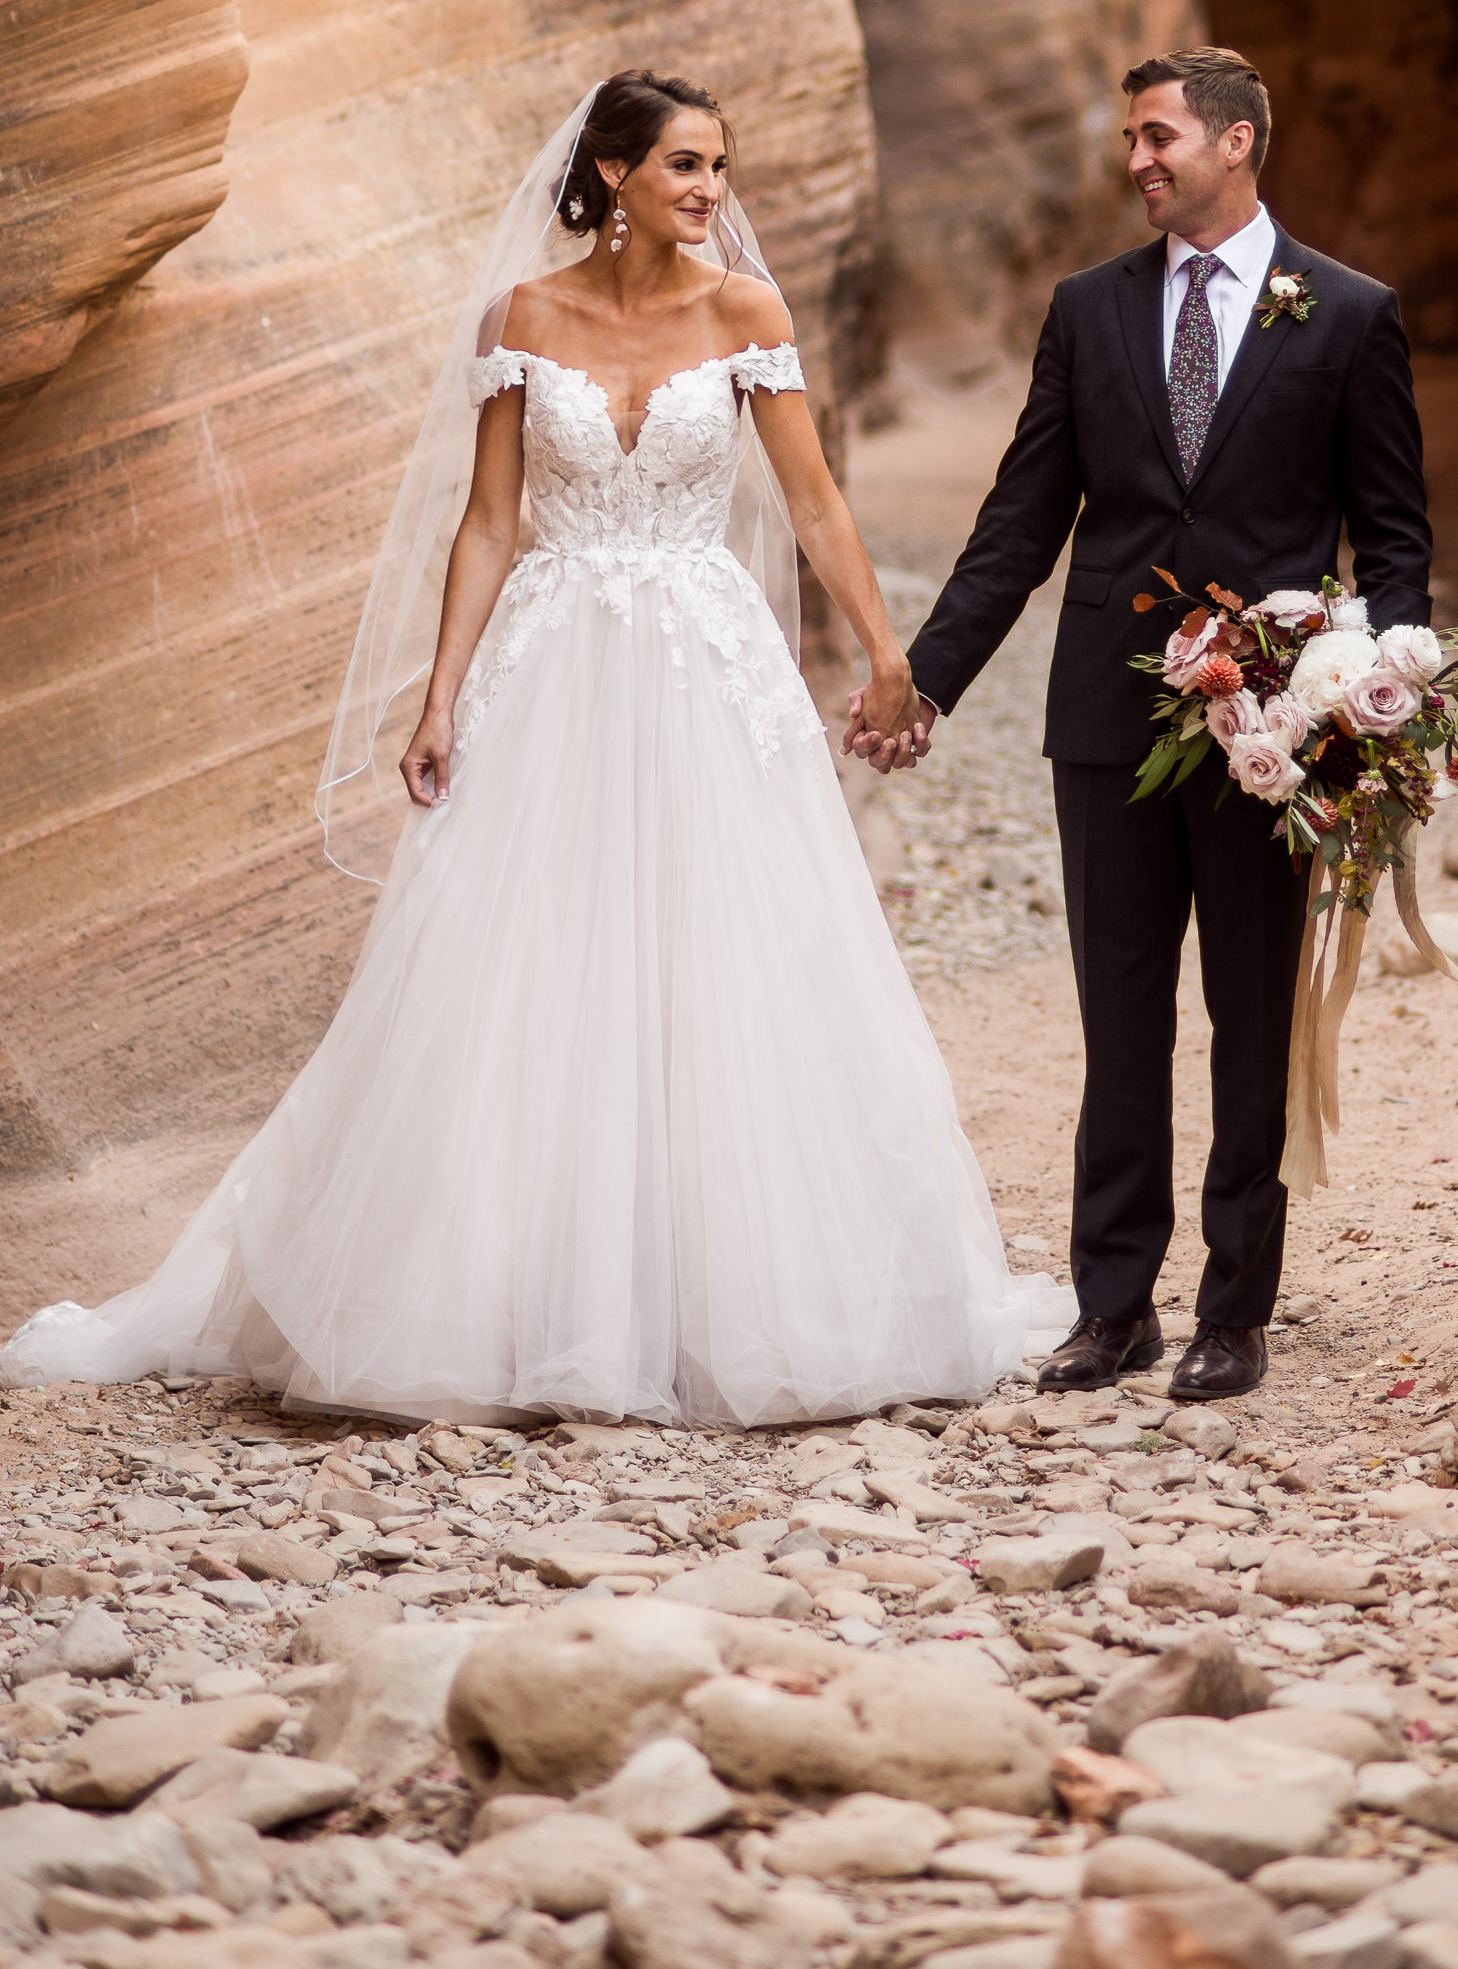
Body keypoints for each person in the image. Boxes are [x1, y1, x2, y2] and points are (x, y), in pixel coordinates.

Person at [1, 72, 1064, 1425]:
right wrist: (440, 697)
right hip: (551, 663)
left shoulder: (747, 313)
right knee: (530, 960)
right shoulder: (527, 318)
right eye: (686, 165)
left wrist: (887, 651)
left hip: (700, 662)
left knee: (725, 956)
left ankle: (727, 1296)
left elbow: (811, 499)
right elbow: (492, 524)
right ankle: (511, 1303)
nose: (711, 193)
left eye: (719, 167)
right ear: (611, 173)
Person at [849, 48, 1432, 1402]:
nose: (1137, 163)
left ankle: (1236, 1307)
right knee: (1122, 1023)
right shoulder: (1087, 311)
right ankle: (1112, 1306)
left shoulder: (1347, 313)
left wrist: (1383, 694)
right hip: (1105, 722)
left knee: (1246, 1016)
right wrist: (925, 678)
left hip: (1275, 735)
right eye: (1129, 141)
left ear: (1236, 143)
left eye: (1159, 137)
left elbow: (1394, 536)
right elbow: (1020, 524)